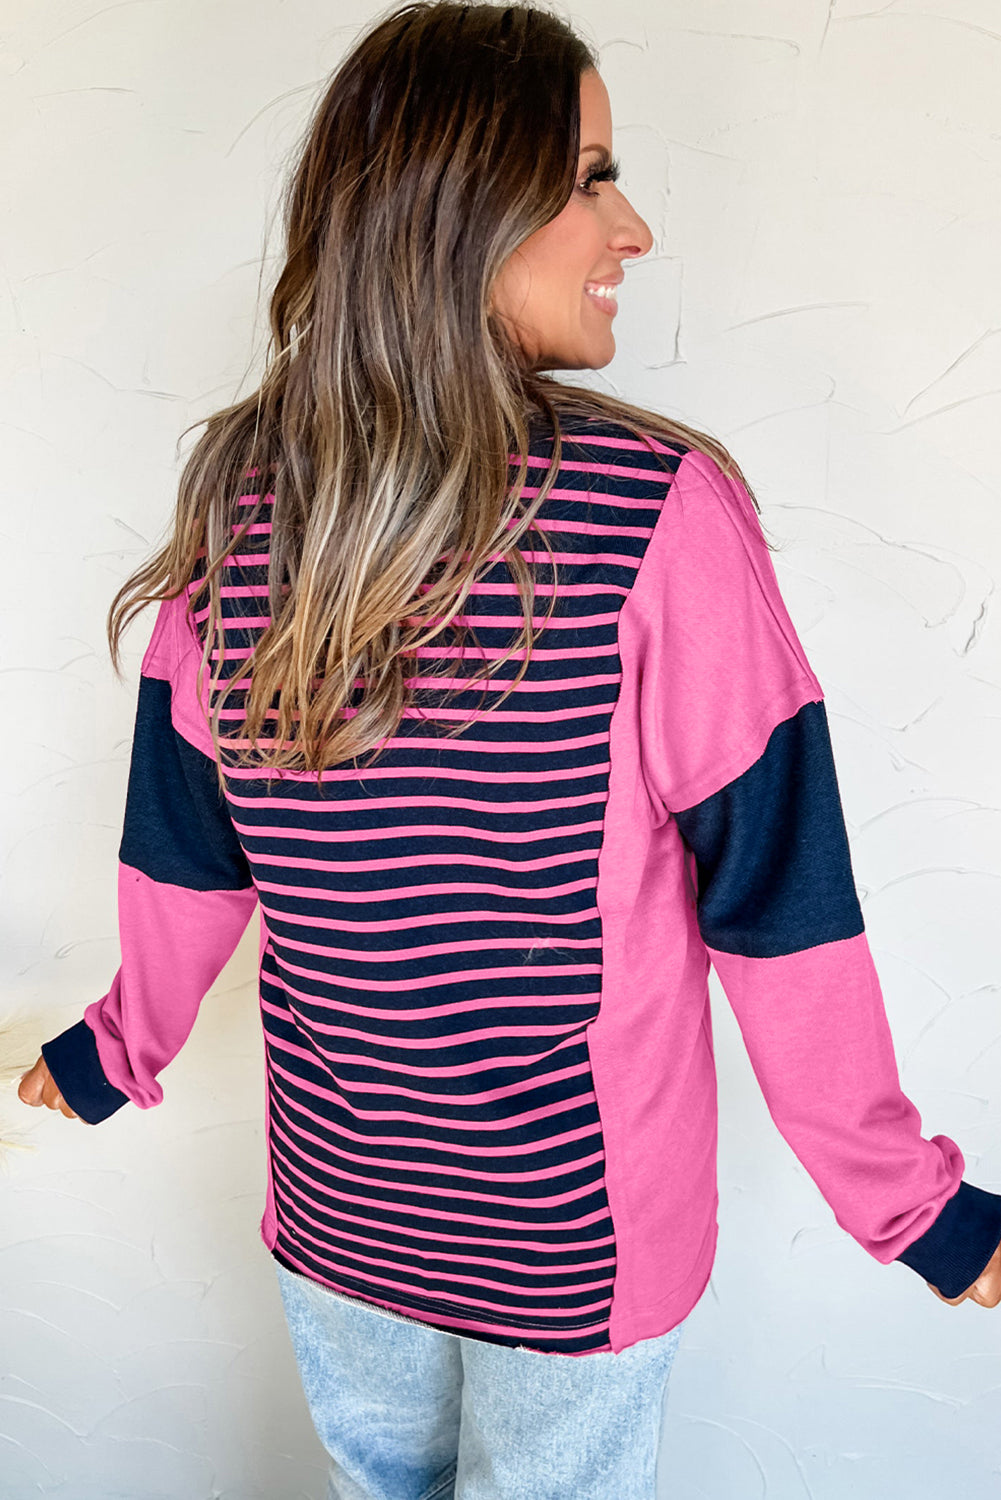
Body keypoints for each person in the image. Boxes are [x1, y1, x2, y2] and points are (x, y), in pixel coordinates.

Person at [19, 2, 1001, 1496]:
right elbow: (779, 904)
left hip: (358, 1208)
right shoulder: (647, 514)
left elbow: (183, 850)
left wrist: (117, 1048)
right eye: (589, 177)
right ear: (457, 208)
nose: (634, 228)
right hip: (534, 1232)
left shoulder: (254, 503)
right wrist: (912, 1207)